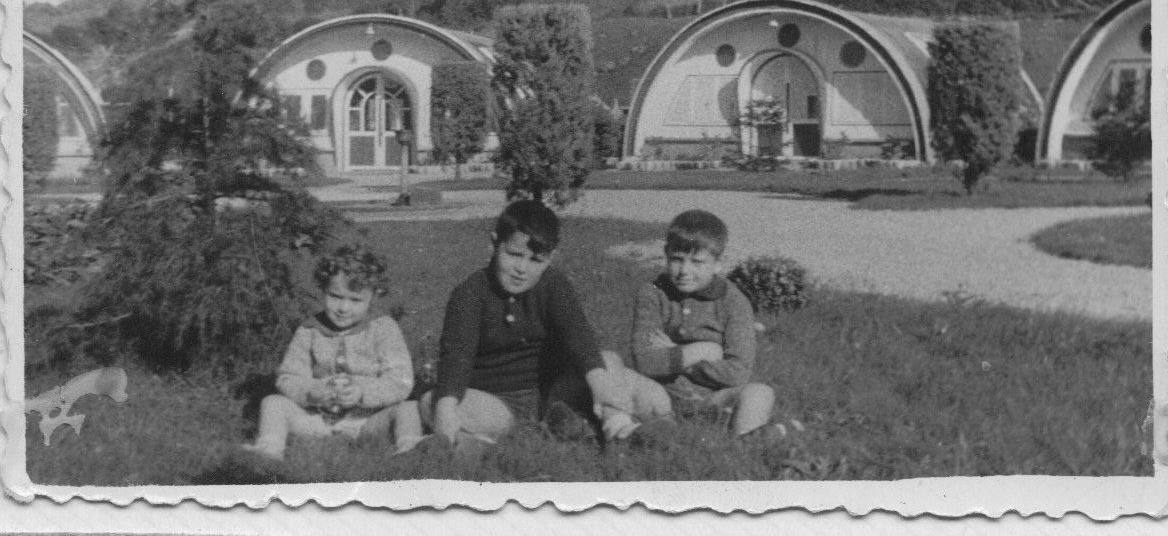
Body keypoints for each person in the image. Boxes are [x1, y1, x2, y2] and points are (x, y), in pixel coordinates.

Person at [406, 199, 673, 455]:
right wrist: (446, 408)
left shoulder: (552, 285)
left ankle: (619, 431)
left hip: (554, 390)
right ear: (494, 244)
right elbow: (456, 359)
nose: (521, 268)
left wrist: (599, 384)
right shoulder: (470, 294)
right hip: (498, 401)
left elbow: (578, 337)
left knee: (613, 366)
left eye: (536, 260)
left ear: (551, 258)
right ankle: (478, 443)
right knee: (433, 402)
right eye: (513, 255)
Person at [243, 245, 421, 460]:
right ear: (323, 289)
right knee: (272, 403)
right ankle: (269, 450)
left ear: (373, 296)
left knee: (408, 408)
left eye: (355, 300)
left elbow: (399, 381)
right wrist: (312, 393)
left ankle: (409, 449)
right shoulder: (309, 330)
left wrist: (363, 393)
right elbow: (289, 377)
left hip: (368, 421)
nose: (343, 308)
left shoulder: (383, 328)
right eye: (335, 296)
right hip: (317, 420)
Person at [631, 209, 784, 440]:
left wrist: (678, 357)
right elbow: (645, 361)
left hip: (713, 400)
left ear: (717, 264)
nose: (684, 271)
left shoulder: (734, 302)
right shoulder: (653, 293)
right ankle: (651, 432)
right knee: (618, 374)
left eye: (698, 262)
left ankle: (744, 443)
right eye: (677, 259)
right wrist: (705, 352)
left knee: (760, 392)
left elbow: (738, 373)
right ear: (666, 254)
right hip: (661, 394)